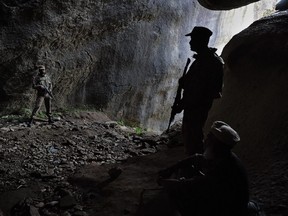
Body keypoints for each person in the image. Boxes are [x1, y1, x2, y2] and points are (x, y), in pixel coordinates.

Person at [158, 121, 249, 216]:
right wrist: (171, 169)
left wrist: (164, 182)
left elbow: (190, 184)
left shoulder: (224, 170)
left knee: (176, 193)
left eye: (209, 138)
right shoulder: (224, 156)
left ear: (216, 144)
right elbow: (196, 159)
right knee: (185, 170)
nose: (205, 140)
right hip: (225, 201)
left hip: (228, 210)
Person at [177, 26, 224, 156]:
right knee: (189, 135)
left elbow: (205, 90)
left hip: (198, 106)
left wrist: (184, 103)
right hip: (192, 105)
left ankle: (196, 165)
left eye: (193, 39)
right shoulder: (201, 60)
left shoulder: (213, 62)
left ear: (201, 40)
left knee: (194, 136)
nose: (190, 42)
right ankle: (193, 162)